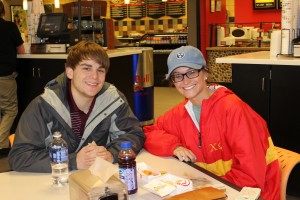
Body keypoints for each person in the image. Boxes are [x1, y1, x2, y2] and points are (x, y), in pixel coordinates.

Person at [143, 46, 280, 200]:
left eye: (192, 72)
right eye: (178, 76)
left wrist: (207, 191)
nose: (185, 80)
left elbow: (251, 177)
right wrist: (174, 146)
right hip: (213, 186)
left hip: (251, 193)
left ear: (205, 73)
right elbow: (148, 133)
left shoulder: (235, 110)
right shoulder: (178, 113)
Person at [8, 41, 145, 172]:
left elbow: (134, 134)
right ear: (70, 72)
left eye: (100, 70)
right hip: (55, 184)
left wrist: (111, 154)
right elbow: (19, 157)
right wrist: (73, 161)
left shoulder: (113, 100)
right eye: (86, 68)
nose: (94, 77)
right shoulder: (43, 106)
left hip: (96, 183)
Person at [0, 1, 25, 156]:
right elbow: (21, 50)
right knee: (10, 110)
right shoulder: (9, 27)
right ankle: (1, 143)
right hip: (4, 76)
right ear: (3, 11)